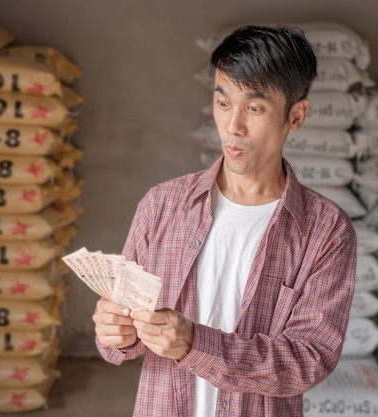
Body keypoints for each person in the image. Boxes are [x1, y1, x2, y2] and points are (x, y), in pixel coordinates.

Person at [92, 25, 357, 416]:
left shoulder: (325, 230)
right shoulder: (162, 206)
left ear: (296, 116)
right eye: (222, 103)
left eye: (254, 108)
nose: (233, 126)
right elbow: (116, 341)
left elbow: (310, 357)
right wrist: (112, 330)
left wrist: (194, 345)